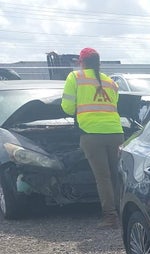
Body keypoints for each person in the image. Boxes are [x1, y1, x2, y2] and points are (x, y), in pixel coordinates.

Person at [61, 47, 124, 229]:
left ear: (81, 62)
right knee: (117, 176)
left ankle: (110, 218)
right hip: (115, 132)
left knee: (102, 177)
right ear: (99, 63)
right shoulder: (111, 82)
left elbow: (67, 106)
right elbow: (113, 105)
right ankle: (124, 213)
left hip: (92, 134)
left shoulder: (75, 77)